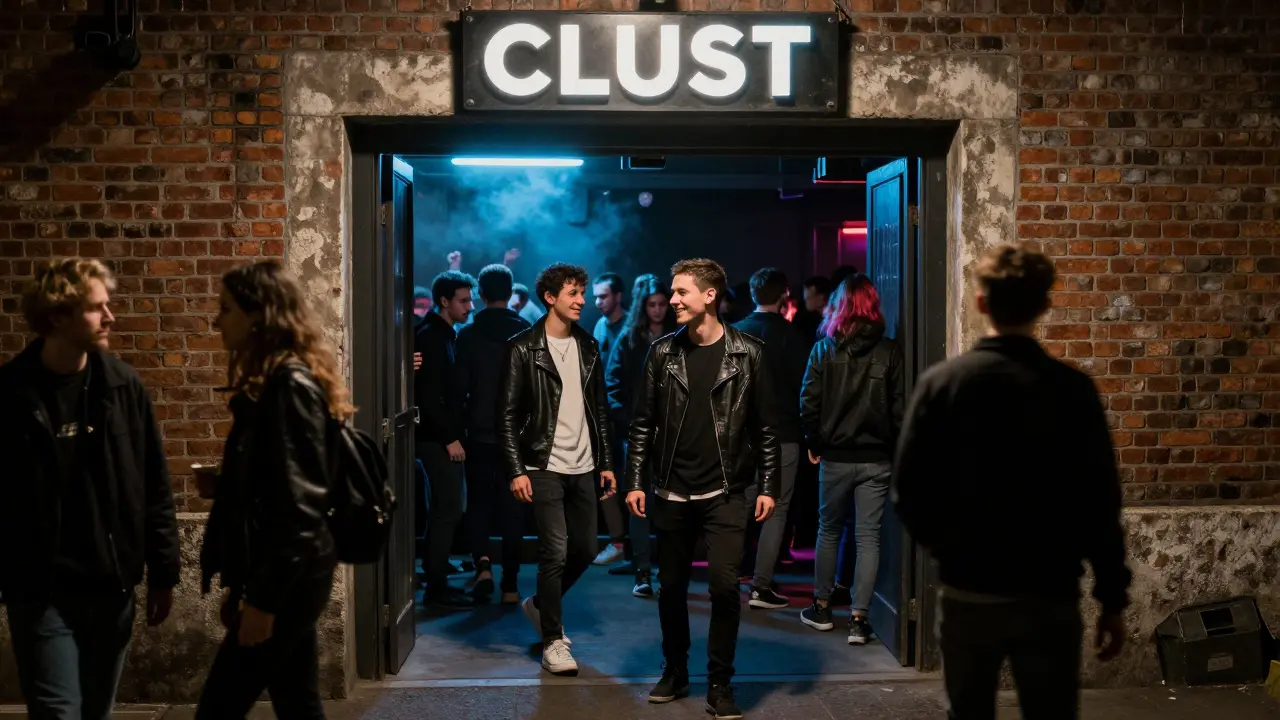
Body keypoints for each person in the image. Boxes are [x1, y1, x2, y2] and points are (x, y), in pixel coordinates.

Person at [893, 243, 1130, 719]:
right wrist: (1111, 597)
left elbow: (909, 492)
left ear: (981, 302)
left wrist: (950, 551)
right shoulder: (1071, 390)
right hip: (1049, 591)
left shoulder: (942, 384)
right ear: (1044, 305)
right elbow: (1101, 501)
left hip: (968, 590)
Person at [0, 258, 180, 720]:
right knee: (59, 712)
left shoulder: (122, 387)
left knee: (95, 712)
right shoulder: (12, 395)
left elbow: (154, 483)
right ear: (58, 315)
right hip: (40, 591)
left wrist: (163, 571)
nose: (111, 317)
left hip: (110, 587)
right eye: (98, 308)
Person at [625, 258, 779, 720]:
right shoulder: (662, 353)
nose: (672, 300)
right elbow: (642, 424)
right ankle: (675, 671)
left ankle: (720, 683)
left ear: (709, 296)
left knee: (724, 588)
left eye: (681, 293)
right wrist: (635, 479)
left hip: (726, 491)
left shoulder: (749, 352)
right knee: (670, 589)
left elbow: (767, 428)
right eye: (672, 293)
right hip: (671, 491)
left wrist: (768, 485)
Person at [196, 260, 348, 718]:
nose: (216, 320)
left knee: (219, 708)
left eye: (226, 308)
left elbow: (298, 510)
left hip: (289, 579)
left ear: (259, 315)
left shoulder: (289, 387)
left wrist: (261, 600)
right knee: (297, 701)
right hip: (284, 574)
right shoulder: (273, 385)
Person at [497, 263, 616, 676]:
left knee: (585, 548)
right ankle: (553, 640)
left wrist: (605, 462)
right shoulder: (522, 347)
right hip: (541, 463)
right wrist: (517, 469)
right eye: (573, 293)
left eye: (583, 293)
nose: (581, 300)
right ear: (550, 297)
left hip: (583, 464)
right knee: (555, 550)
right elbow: (507, 415)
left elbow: (599, 409)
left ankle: (542, 605)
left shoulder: (588, 345)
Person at [798, 274, 905, 644]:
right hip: (877, 458)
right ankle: (860, 620)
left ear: (840, 306)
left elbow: (808, 403)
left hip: (836, 456)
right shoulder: (890, 351)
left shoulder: (824, 350)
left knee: (828, 530)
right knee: (868, 537)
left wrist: (814, 441)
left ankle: (823, 608)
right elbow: (899, 410)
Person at [732, 268, 809, 611]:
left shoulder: (736, 334)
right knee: (775, 511)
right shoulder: (793, 337)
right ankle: (761, 587)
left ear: (753, 294)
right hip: (785, 433)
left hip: (746, 435)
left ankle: (728, 575)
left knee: (743, 505)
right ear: (784, 296)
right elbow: (804, 390)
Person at [456, 264, 532, 604]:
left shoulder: (469, 335)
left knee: (479, 504)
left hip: (480, 432)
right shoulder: (528, 332)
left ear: (481, 295)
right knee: (513, 509)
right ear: (511, 291)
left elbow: (459, 387)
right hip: (517, 436)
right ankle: (512, 585)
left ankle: (483, 565)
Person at [603, 273, 676, 597]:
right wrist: (629, 422)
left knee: (670, 503)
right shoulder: (631, 337)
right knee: (638, 500)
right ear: (643, 306)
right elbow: (612, 383)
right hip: (638, 434)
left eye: (662, 304)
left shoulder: (680, 336)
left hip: (674, 435)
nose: (657, 310)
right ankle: (642, 571)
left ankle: (665, 570)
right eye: (652, 304)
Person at [414, 270, 476, 608]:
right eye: (463, 300)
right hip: (436, 438)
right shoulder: (431, 337)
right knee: (449, 506)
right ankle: (436, 588)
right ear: (444, 302)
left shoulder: (445, 334)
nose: (470, 306)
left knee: (447, 507)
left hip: (440, 436)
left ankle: (435, 578)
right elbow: (429, 395)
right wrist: (450, 437)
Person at [590, 271, 629, 567]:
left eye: (603, 296)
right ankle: (618, 541)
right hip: (604, 416)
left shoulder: (630, 327)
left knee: (633, 480)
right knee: (607, 480)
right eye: (596, 296)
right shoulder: (600, 326)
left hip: (629, 417)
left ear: (618, 296)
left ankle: (634, 546)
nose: (597, 301)